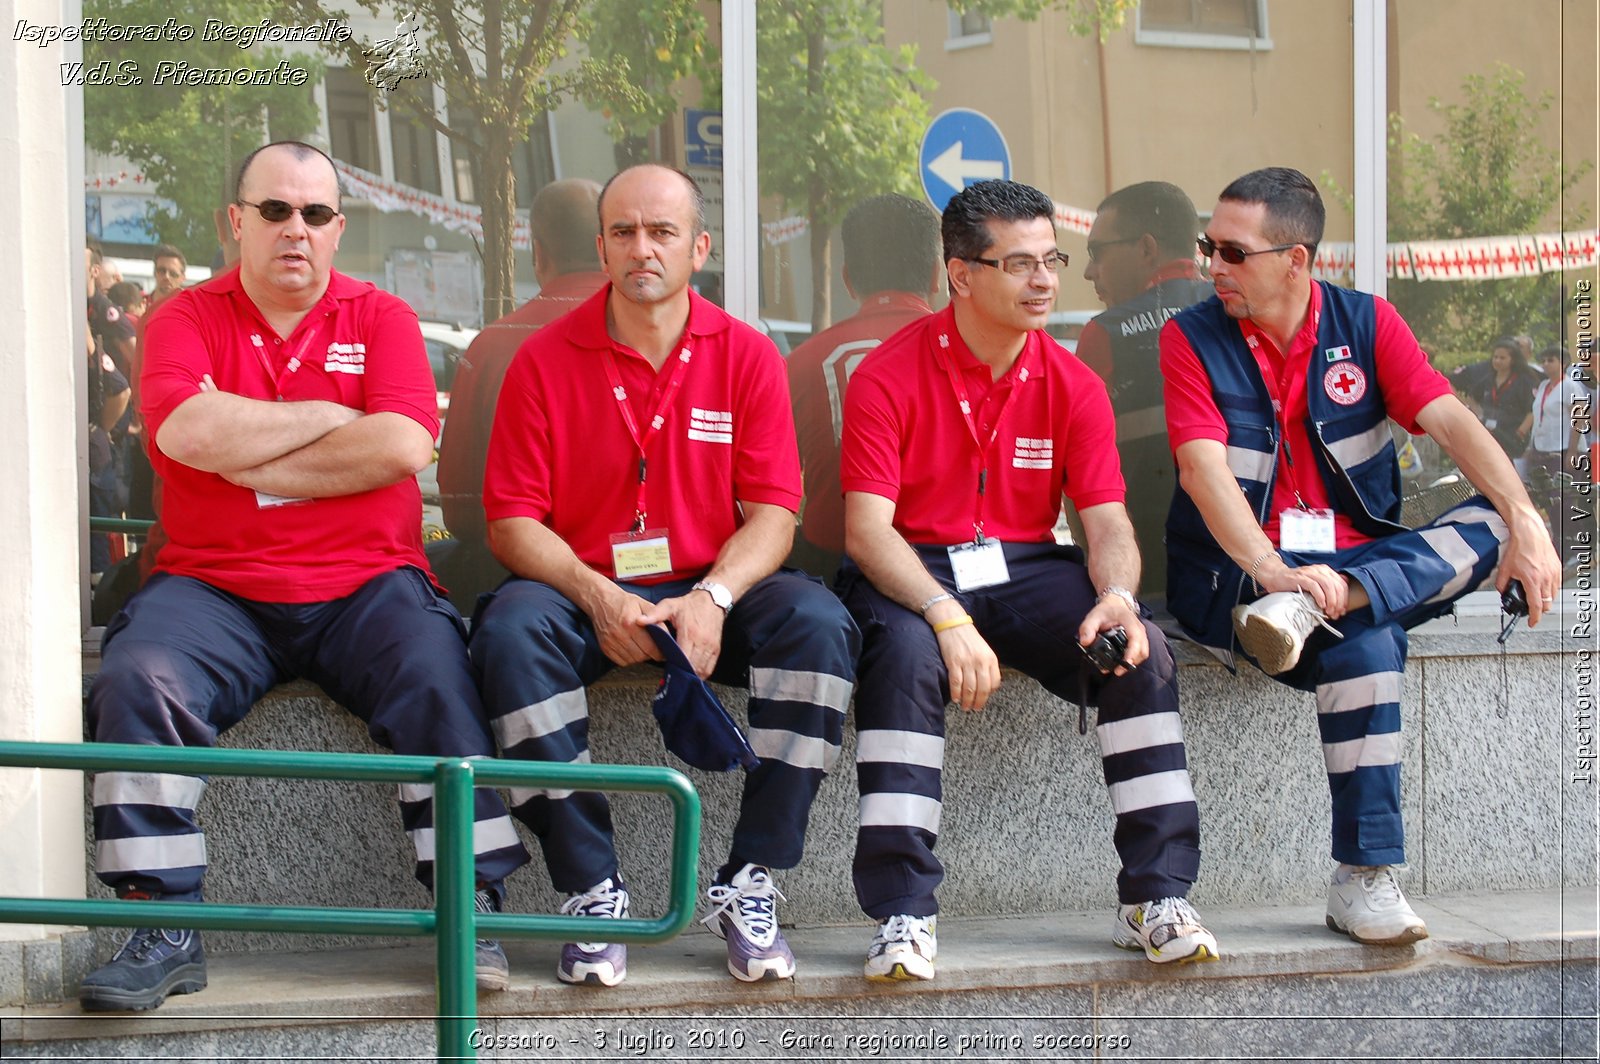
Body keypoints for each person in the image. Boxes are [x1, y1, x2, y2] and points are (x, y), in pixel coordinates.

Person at [79, 141, 532, 1013]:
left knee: (439, 676)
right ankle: (163, 924)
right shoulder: (183, 318)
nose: (296, 229)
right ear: (234, 222)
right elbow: (182, 434)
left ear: (337, 229)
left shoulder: (384, 317)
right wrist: (331, 422)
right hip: (212, 587)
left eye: (315, 214)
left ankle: (469, 906)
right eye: (276, 211)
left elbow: (404, 444)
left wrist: (245, 456)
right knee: (139, 679)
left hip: (368, 584)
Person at [470, 163, 859, 988]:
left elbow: (775, 515)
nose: (641, 248)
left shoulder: (749, 356)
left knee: (820, 624)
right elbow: (510, 522)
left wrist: (715, 598)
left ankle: (752, 878)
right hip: (584, 584)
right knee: (508, 632)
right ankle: (591, 888)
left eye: (662, 232)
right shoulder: (544, 359)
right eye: (623, 232)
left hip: (710, 580)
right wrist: (598, 596)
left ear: (699, 248)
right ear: (602, 246)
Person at [1160, 167, 1561, 948]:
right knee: (1373, 646)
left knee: (1489, 522)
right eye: (1210, 246)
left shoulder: (1366, 324)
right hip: (1244, 578)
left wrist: (1526, 520)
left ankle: (1344, 591)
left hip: (1343, 575)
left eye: (1234, 252)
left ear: (1296, 260)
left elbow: (1448, 420)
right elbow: (1202, 471)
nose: (1214, 266)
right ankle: (1364, 876)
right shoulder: (1191, 335)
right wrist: (1276, 573)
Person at [838, 179, 1216, 982]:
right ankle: (904, 912)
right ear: (961, 274)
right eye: (1018, 264)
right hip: (914, 566)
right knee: (905, 661)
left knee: (1136, 648)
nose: (1045, 280)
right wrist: (944, 615)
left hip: (1020, 563)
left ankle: (1155, 895)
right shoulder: (886, 374)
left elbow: (1106, 520)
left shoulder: (1074, 382)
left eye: (1052, 259)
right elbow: (867, 530)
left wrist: (1116, 595)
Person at [434, 178, 607, 605]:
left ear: (539, 253)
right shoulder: (656, 339)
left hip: (520, 582)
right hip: (647, 572)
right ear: (610, 247)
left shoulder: (496, 344)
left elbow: (461, 511)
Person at [785, 193, 940, 579]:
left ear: (848, 279)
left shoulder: (800, 362)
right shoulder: (970, 350)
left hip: (829, 570)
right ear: (938, 275)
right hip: (946, 563)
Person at [1076, 181, 1213, 603]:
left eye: (1097, 253)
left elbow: (1076, 474)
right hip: (1249, 563)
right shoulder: (1237, 313)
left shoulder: (1104, 333)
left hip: (1144, 569)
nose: (1088, 272)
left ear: (1147, 249)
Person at [1518, 344, 1590, 554]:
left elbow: (1578, 418)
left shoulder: (1570, 387)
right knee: (1549, 500)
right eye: (1544, 360)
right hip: (1542, 449)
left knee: (1565, 499)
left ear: (1563, 363)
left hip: (1564, 449)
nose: (1546, 364)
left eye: (1552, 360)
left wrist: (1573, 451)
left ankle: (1573, 546)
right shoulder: (1542, 387)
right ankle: (1559, 544)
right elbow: (1539, 418)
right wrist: (1530, 447)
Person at [1464, 337, 1536, 461]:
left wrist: (1519, 434)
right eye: (1495, 357)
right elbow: (1471, 397)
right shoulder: (1488, 379)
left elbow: (1532, 411)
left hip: (1512, 438)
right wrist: (1480, 416)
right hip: (1489, 436)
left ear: (1512, 360)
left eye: (1502, 358)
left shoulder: (1523, 381)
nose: (1497, 361)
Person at [149, 244, 188, 311]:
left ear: (183, 278)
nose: (166, 277)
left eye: (173, 273)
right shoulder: (138, 306)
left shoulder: (188, 310)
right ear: (154, 273)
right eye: (162, 271)